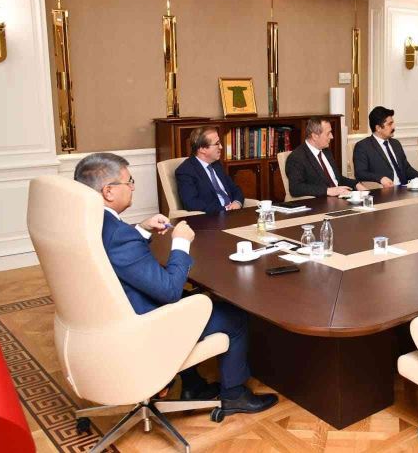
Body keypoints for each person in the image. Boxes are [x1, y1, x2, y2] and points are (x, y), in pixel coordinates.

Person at [74, 152, 277, 415]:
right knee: (234, 316)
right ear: (108, 191)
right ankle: (235, 395)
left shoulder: (90, 221)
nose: (133, 187)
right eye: (129, 181)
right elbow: (169, 290)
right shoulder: (118, 236)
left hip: (107, 317)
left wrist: (142, 229)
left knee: (191, 297)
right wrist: (181, 242)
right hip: (143, 326)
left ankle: (193, 385)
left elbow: (116, 249)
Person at [286, 117, 367, 197]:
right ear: (315, 136)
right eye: (328, 133)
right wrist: (327, 191)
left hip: (341, 197)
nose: (332, 136)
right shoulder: (297, 157)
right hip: (321, 201)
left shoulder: (326, 151)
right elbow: (295, 188)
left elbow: (337, 179)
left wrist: (356, 184)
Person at [175, 126, 245, 215]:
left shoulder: (216, 164)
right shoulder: (186, 171)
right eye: (217, 144)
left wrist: (237, 202)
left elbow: (235, 189)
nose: (221, 147)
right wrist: (225, 209)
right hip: (212, 218)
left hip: (233, 214)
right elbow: (192, 203)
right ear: (202, 149)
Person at [353, 106, 418, 187]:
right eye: (390, 124)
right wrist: (380, 178)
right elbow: (360, 173)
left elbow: (407, 169)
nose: (393, 127)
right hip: (386, 191)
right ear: (378, 128)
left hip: (405, 188)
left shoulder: (395, 143)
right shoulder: (363, 147)